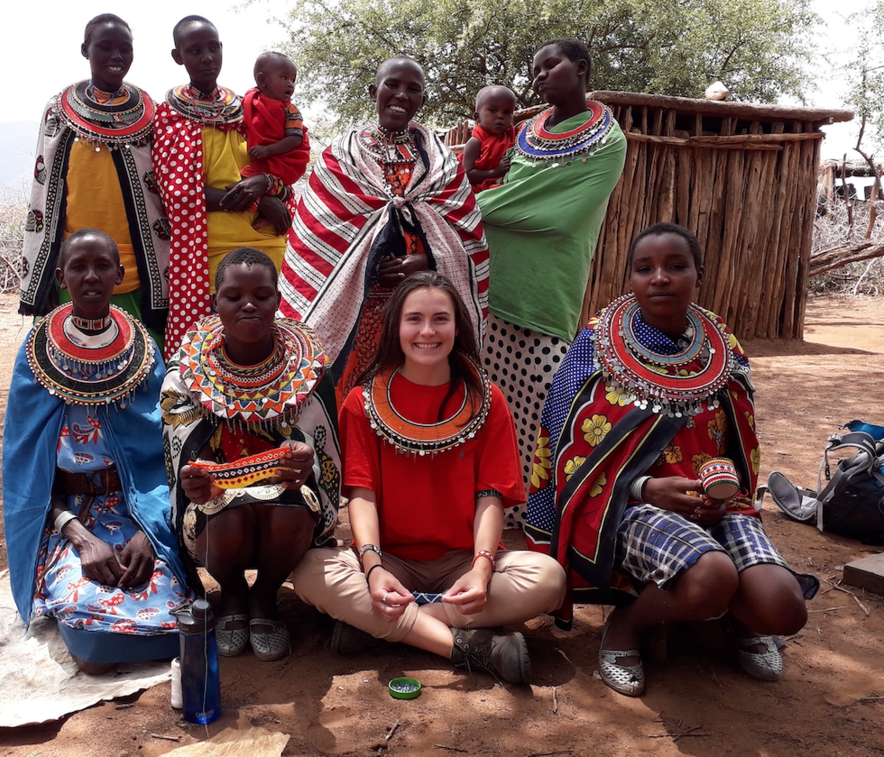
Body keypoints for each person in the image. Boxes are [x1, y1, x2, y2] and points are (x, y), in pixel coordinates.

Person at [526, 223, 818, 696]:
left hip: (719, 503)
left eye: (676, 266)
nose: (659, 278)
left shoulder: (721, 343)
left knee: (784, 610)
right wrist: (644, 489)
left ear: (698, 274)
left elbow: (739, 440)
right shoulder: (598, 344)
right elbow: (569, 445)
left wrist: (724, 493)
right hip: (629, 507)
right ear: (631, 279)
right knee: (712, 577)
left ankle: (728, 620)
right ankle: (629, 625)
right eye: (645, 269)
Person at [290, 272, 566, 684]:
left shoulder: (488, 400)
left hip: (462, 560)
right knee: (310, 571)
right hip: (390, 561)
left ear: (458, 327)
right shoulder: (361, 402)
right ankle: (469, 646)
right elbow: (361, 497)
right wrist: (373, 569)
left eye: (440, 319)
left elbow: (490, 497)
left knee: (548, 578)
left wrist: (482, 568)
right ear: (395, 328)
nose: (427, 331)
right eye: (414, 319)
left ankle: (384, 627)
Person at [3, 229, 188, 674]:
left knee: (175, 612)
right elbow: (25, 467)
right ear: (62, 277)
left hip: (139, 508)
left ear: (120, 275)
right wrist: (81, 538)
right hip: (68, 515)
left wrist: (150, 531)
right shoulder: (35, 353)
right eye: (78, 267)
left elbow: (163, 453)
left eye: (102, 265)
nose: (91, 276)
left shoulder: (143, 349)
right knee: (92, 630)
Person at [160, 247, 341, 662]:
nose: (248, 304)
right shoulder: (185, 372)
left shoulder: (310, 367)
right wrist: (195, 479)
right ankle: (234, 598)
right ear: (215, 302)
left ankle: (264, 598)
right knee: (229, 511)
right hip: (217, 516)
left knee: (290, 508)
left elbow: (326, 450)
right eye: (233, 295)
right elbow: (179, 456)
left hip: (288, 509)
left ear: (278, 300)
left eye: (262, 295)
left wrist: (304, 459)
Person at [280, 55, 490, 406]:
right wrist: (366, 260)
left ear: (422, 101)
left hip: (420, 311)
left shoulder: (442, 163)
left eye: (414, 90)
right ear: (373, 90)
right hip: (356, 311)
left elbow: (466, 237)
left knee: (414, 401)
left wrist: (425, 260)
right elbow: (316, 235)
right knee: (351, 401)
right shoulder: (341, 157)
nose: (402, 95)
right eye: (392, 84)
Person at [477, 38, 627, 527]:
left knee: (545, 415)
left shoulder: (608, 141)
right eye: (534, 70)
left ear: (581, 69)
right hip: (493, 289)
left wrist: (470, 210)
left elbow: (558, 216)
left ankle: (542, 522)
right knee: (491, 411)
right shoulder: (524, 134)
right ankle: (495, 515)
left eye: (551, 65)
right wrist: (498, 204)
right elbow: (517, 194)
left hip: (548, 295)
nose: (539, 76)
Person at [18, 14, 169, 351]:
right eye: (105, 47)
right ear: (85, 50)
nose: (116, 56)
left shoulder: (150, 113)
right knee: (68, 362)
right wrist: (41, 277)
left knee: (143, 359)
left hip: (139, 267)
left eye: (125, 49)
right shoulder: (60, 110)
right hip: (73, 268)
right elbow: (44, 191)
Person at [153, 17, 293, 357]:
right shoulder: (171, 116)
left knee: (274, 342)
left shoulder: (247, 107)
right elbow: (180, 193)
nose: (207, 57)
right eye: (195, 50)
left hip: (269, 242)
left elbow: (283, 170)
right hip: (209, 250)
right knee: (214, 348)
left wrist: (269, 185)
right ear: (178, 56)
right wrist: (258, 201)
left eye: (213, 48)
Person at [241, 51, 311, 225]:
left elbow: (295, 140)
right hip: (264, 156)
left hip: (283, 160)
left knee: (242, 180)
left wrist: (268, 150)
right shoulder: (249, 103)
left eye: (293, 80)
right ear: (262, 80)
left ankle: (266, 214)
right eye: (284, 78)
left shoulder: (291, 111)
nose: (291, 84)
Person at [460, 85, 516, 193]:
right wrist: (495, 172)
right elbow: (467, 174)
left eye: (507, 112)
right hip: (475, 189)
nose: (500, 116)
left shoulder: (513, 136)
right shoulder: (475, 142)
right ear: (477, 117)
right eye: (493, 110)